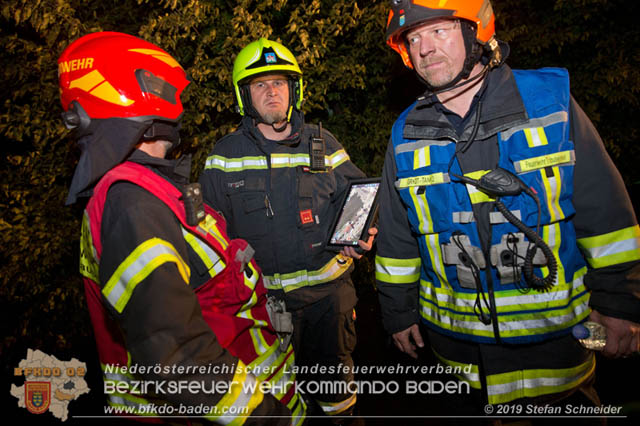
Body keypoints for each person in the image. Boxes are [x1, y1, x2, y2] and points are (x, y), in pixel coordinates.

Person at [376, 0, 640, 416]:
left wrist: (620, 304)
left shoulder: (549, 103)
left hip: (558, 353)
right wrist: (397, 313)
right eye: (414, 37)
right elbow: (395, 237)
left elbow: (606, 215)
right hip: (458, 360)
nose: (425, 48)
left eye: (439, 31)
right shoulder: (405, 133)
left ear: (474, 33)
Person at [59, 31, 306, 424]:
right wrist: (269, 418)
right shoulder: (132, 202)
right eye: (166, 87)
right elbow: (176, 358)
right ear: (141, 92)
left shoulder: (147, 188)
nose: (179, 102)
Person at [199, 38, 375, 419]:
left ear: (294, 90)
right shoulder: (222, 158)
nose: (271, 91)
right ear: (244, 96)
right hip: (261, 311)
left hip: (328, 303)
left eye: (278, 82)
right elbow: (210, 240)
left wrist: (359, 235)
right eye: (260, 85)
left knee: (337, 404)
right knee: (277, 410)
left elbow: (360, 201)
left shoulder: (324, 144)